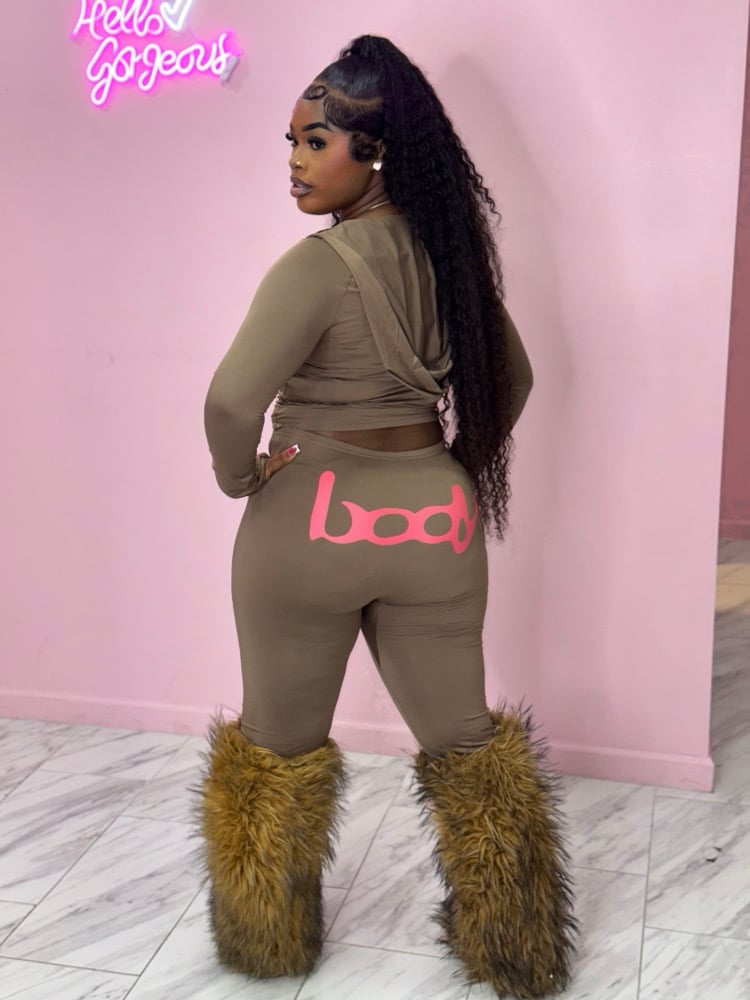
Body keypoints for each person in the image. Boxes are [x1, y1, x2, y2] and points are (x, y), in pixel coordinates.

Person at [200, 34, 576, 999]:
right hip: (435, 522)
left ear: (374, 153)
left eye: (313, 141)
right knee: (466, 743)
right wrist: (449, 471)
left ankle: (269, 943)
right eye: (291, 141)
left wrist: (241, 479)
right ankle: (518, 946)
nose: (294, 161)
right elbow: (515, 379)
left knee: (277, 747)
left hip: (308, 528)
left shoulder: (314, 268)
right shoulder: (453, 261)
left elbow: (232, 402)